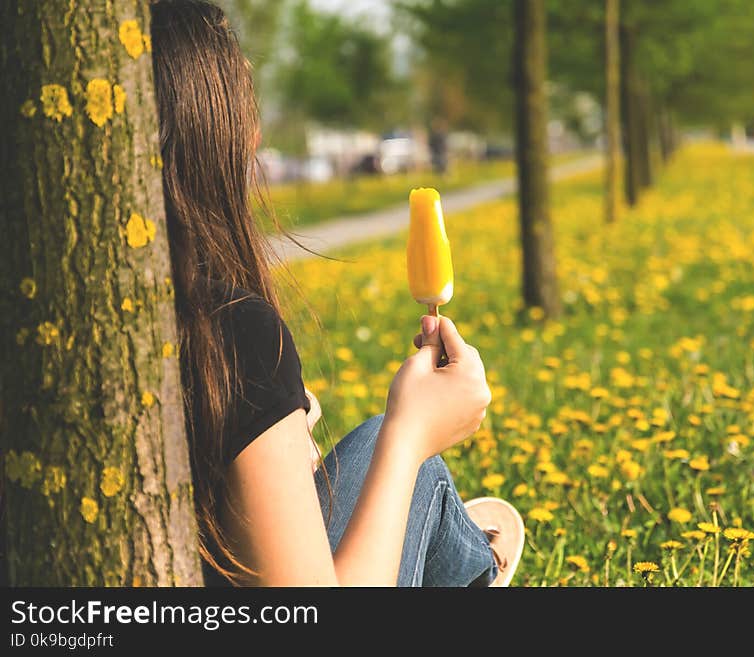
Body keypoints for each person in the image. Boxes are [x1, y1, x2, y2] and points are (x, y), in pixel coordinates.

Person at [149, 0, 523, 587]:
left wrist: (272, 441)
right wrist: (412, 434)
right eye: (245, 95)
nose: (258, 128)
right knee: (403, 461)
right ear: (209, 126)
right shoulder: (231, 329)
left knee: (374, 442)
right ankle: (469, 565)